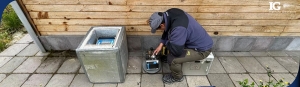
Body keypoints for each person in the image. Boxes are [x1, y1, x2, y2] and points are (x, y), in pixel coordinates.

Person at [147, 8, 213, 84]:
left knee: (172, 59)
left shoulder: (178, 29)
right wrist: (161, 45)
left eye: (159, 29)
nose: (161, 30)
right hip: (195, 41)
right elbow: (166, 30)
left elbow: (177, 52)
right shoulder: (170, 13)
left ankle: (177, 77)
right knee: (171, 46)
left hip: (201, 50)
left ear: (162, 24)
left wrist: (169, 42)